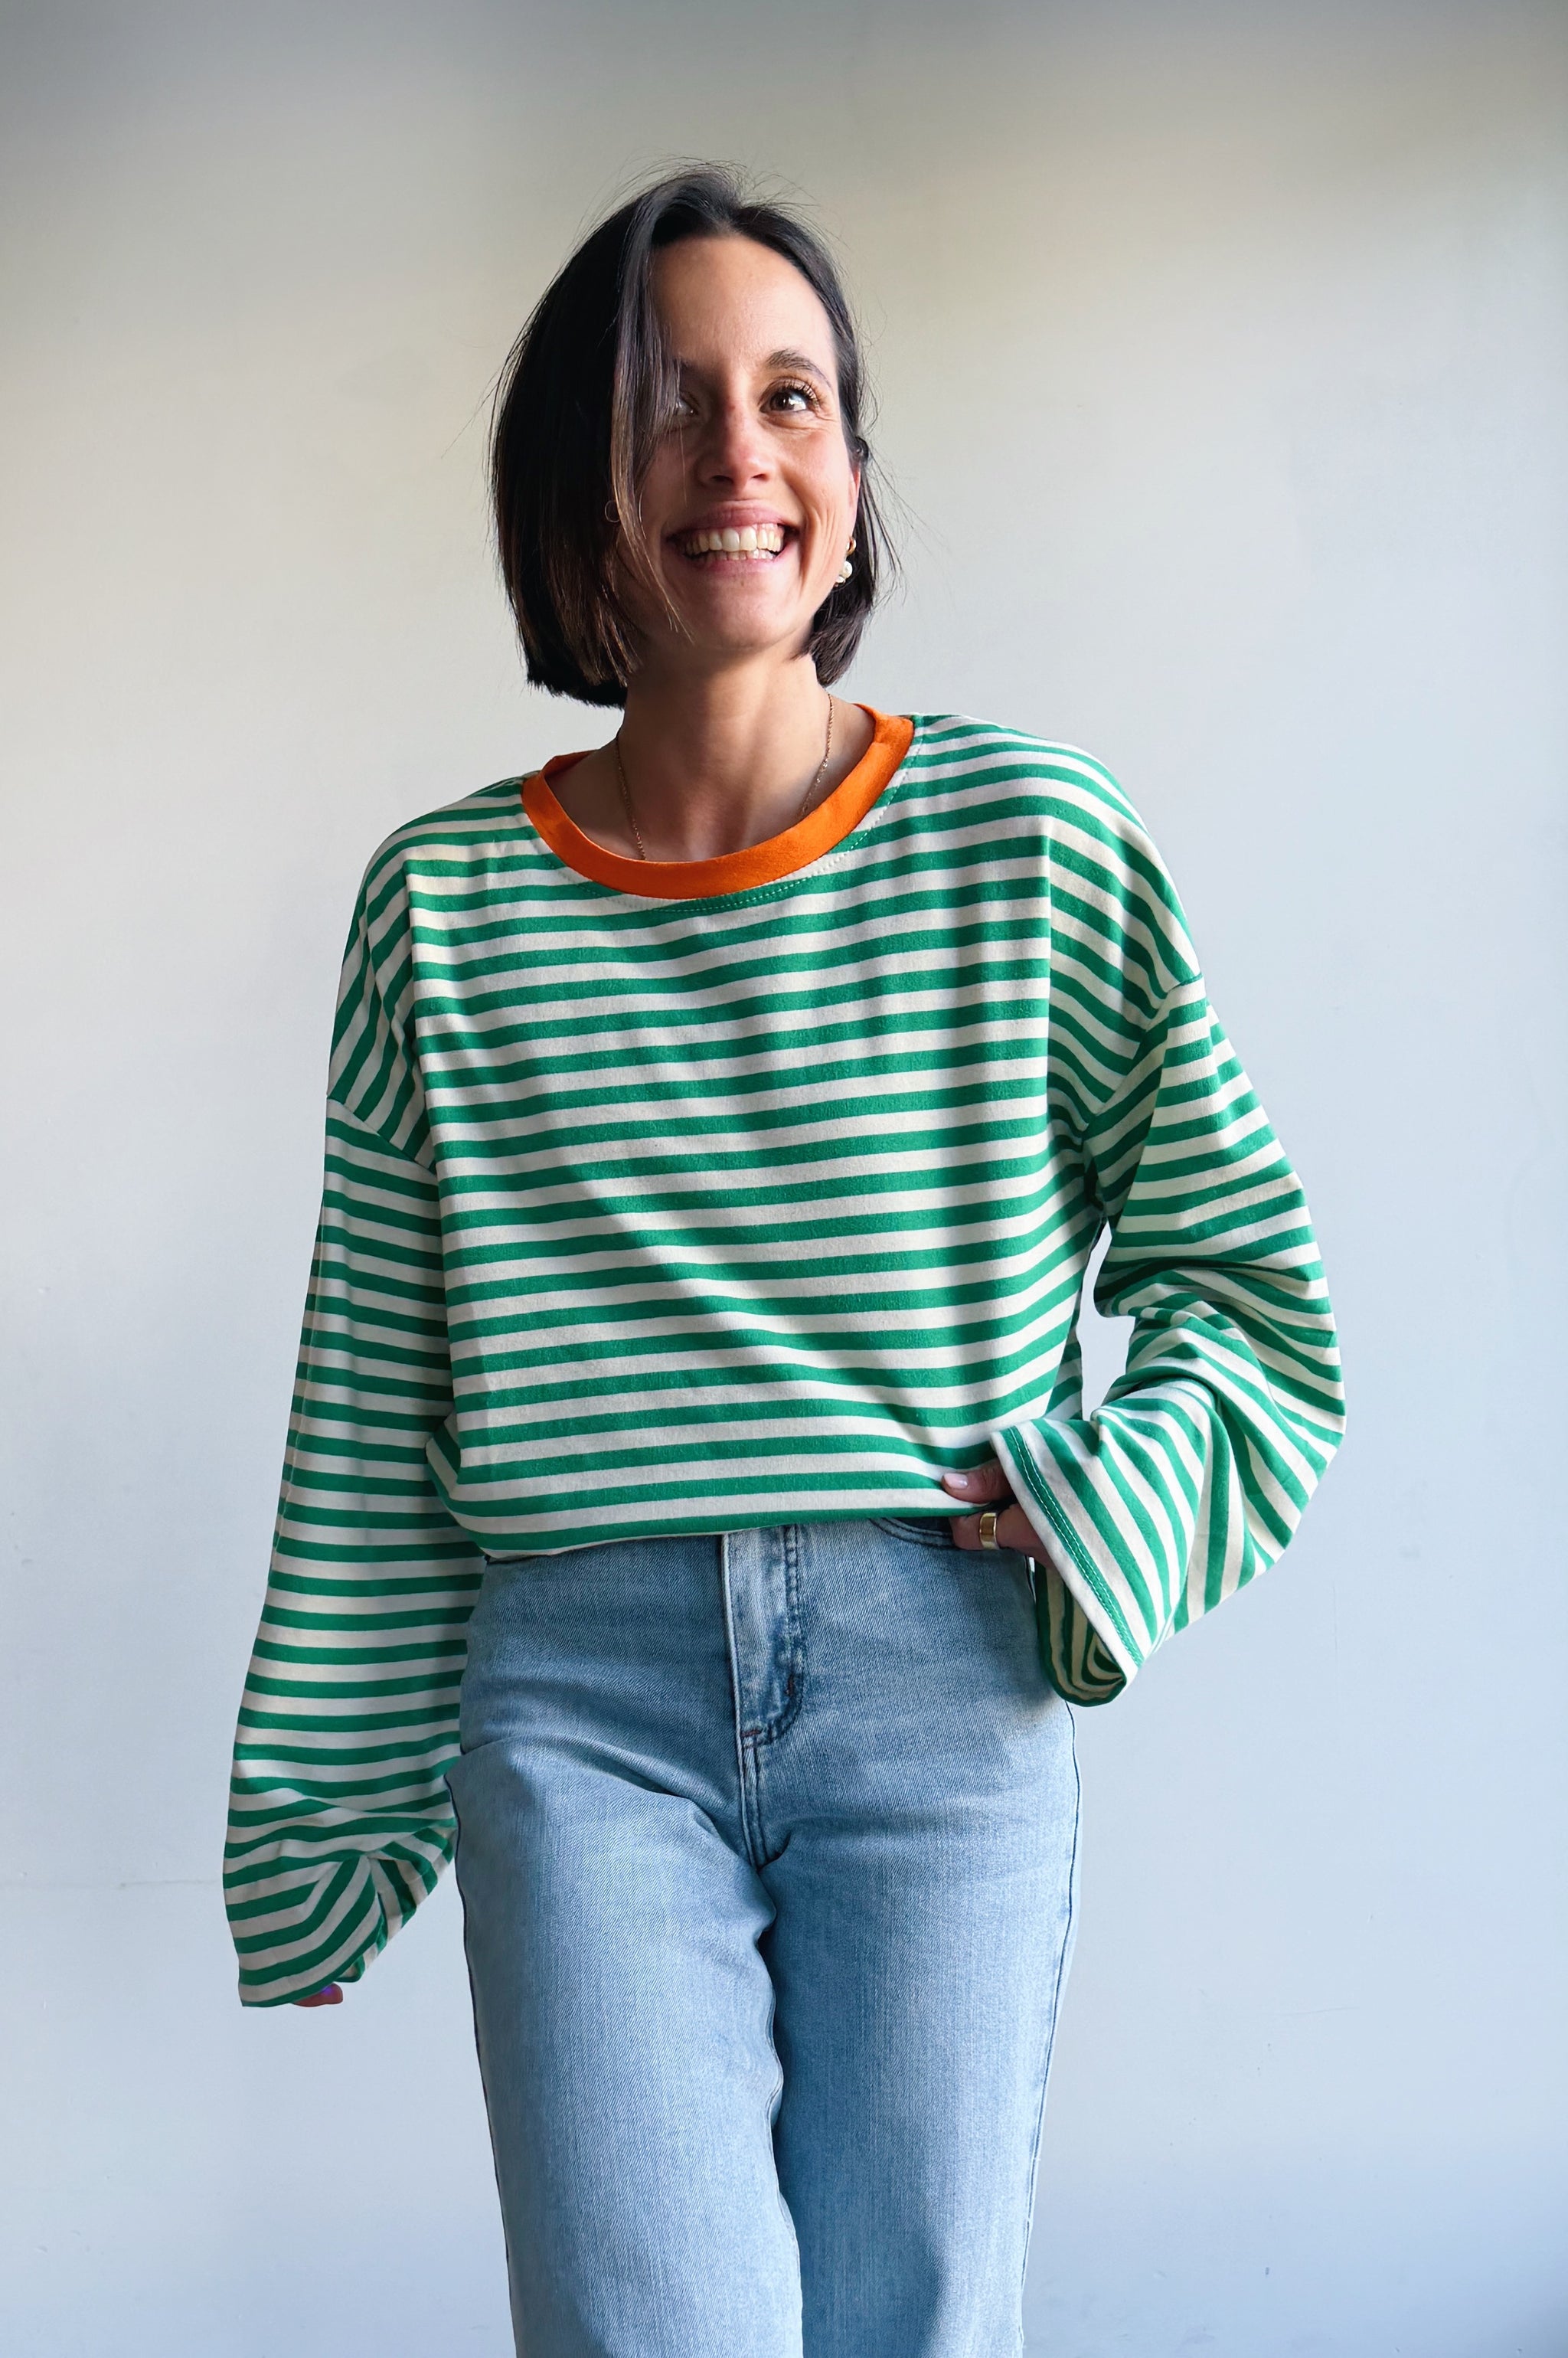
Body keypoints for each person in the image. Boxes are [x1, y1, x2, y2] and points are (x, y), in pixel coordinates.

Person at [224, 166, 1345, 2356]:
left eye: (793, 397)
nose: (737, 451)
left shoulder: (1033, 842)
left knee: (918, 2327)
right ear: (575, 482)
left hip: (943, 1686)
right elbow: (374, 1386)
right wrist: (326, 1808)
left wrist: (1109, 1497)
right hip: (580, 1713)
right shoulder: (441, 905)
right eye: (669, 400)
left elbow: (1253, 1302)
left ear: (847, 481)